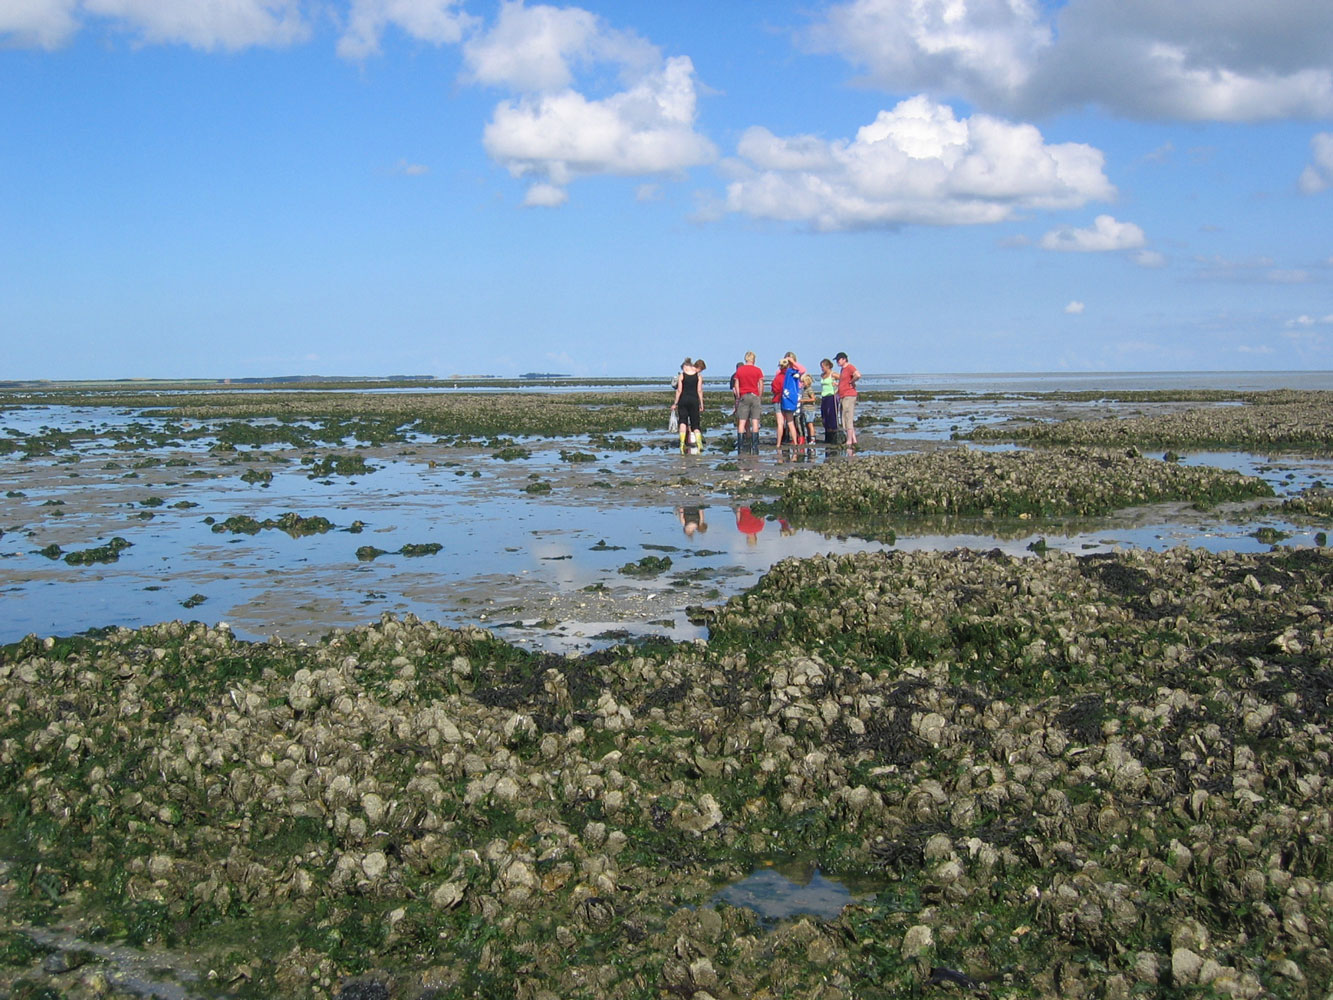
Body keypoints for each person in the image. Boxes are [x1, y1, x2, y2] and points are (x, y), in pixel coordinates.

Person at [732, 351, 764, 452]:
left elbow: (736, 384)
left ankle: (741, 445)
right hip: (754, 395)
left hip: (744, 396)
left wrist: (738, 395)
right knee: (755, 421)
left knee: (742, 422)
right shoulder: (758, 370)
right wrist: (760, 395)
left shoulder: (740, 371)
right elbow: (761, 384)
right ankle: (755, 445)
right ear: (753, 359)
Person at [673, 358, 705, 452]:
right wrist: (701, 403)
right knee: (695, 424)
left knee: (683, 421)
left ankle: (682, 443)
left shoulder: (682, 376)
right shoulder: (698, 376)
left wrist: (675, 403)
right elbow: (699, 391)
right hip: (694, 400)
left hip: (683, 400)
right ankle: (699, 444)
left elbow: (679, 390)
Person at [835, 351, 860, 446]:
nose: (837, 362)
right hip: (843, 395)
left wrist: (852, 381)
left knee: (848, 417)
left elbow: (857, 375)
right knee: (844, 417)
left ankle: (849, 440)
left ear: (844, 359)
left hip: (849, 395)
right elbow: (843, 381)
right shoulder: (843, 369)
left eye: (838, 360)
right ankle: (853, 439)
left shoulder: (849, 367)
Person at [775, 359, 801, 447]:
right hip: (789, 400)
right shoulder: (792, 375)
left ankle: (778, 443)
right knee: (790, 422)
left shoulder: (779, 376)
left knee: (780, 423)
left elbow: (775, 388)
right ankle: (795, 442)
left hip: (778, 400)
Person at [819, 358, 839, 444]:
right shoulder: (822, 375)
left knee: (832, 415)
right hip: (824, 396)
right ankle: (827, 435)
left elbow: (844, 380)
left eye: (823, 367)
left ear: (827, 366)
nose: (822, 368)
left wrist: (837, 386)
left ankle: (834, 436)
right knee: (824, 416)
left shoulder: (833, 374)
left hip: (832, 396)